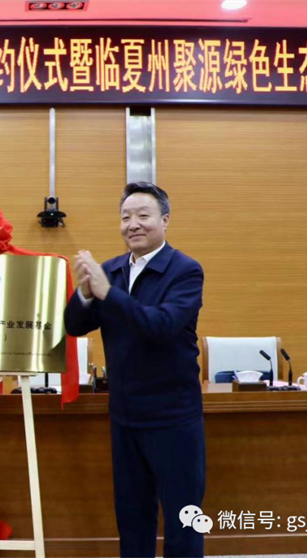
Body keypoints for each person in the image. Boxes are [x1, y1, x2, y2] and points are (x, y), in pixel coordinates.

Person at [65, 182, 205, 558]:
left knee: (183, 518)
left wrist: (107, 293)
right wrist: (85, 293)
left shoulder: (185, 270)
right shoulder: (110, 271)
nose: (133, 224)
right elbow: (74, 326)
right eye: (126, 217)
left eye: (143, 215)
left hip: (173, 416)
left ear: (165, 220)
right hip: (125, 415)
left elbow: (161, 326)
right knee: (132, 517)